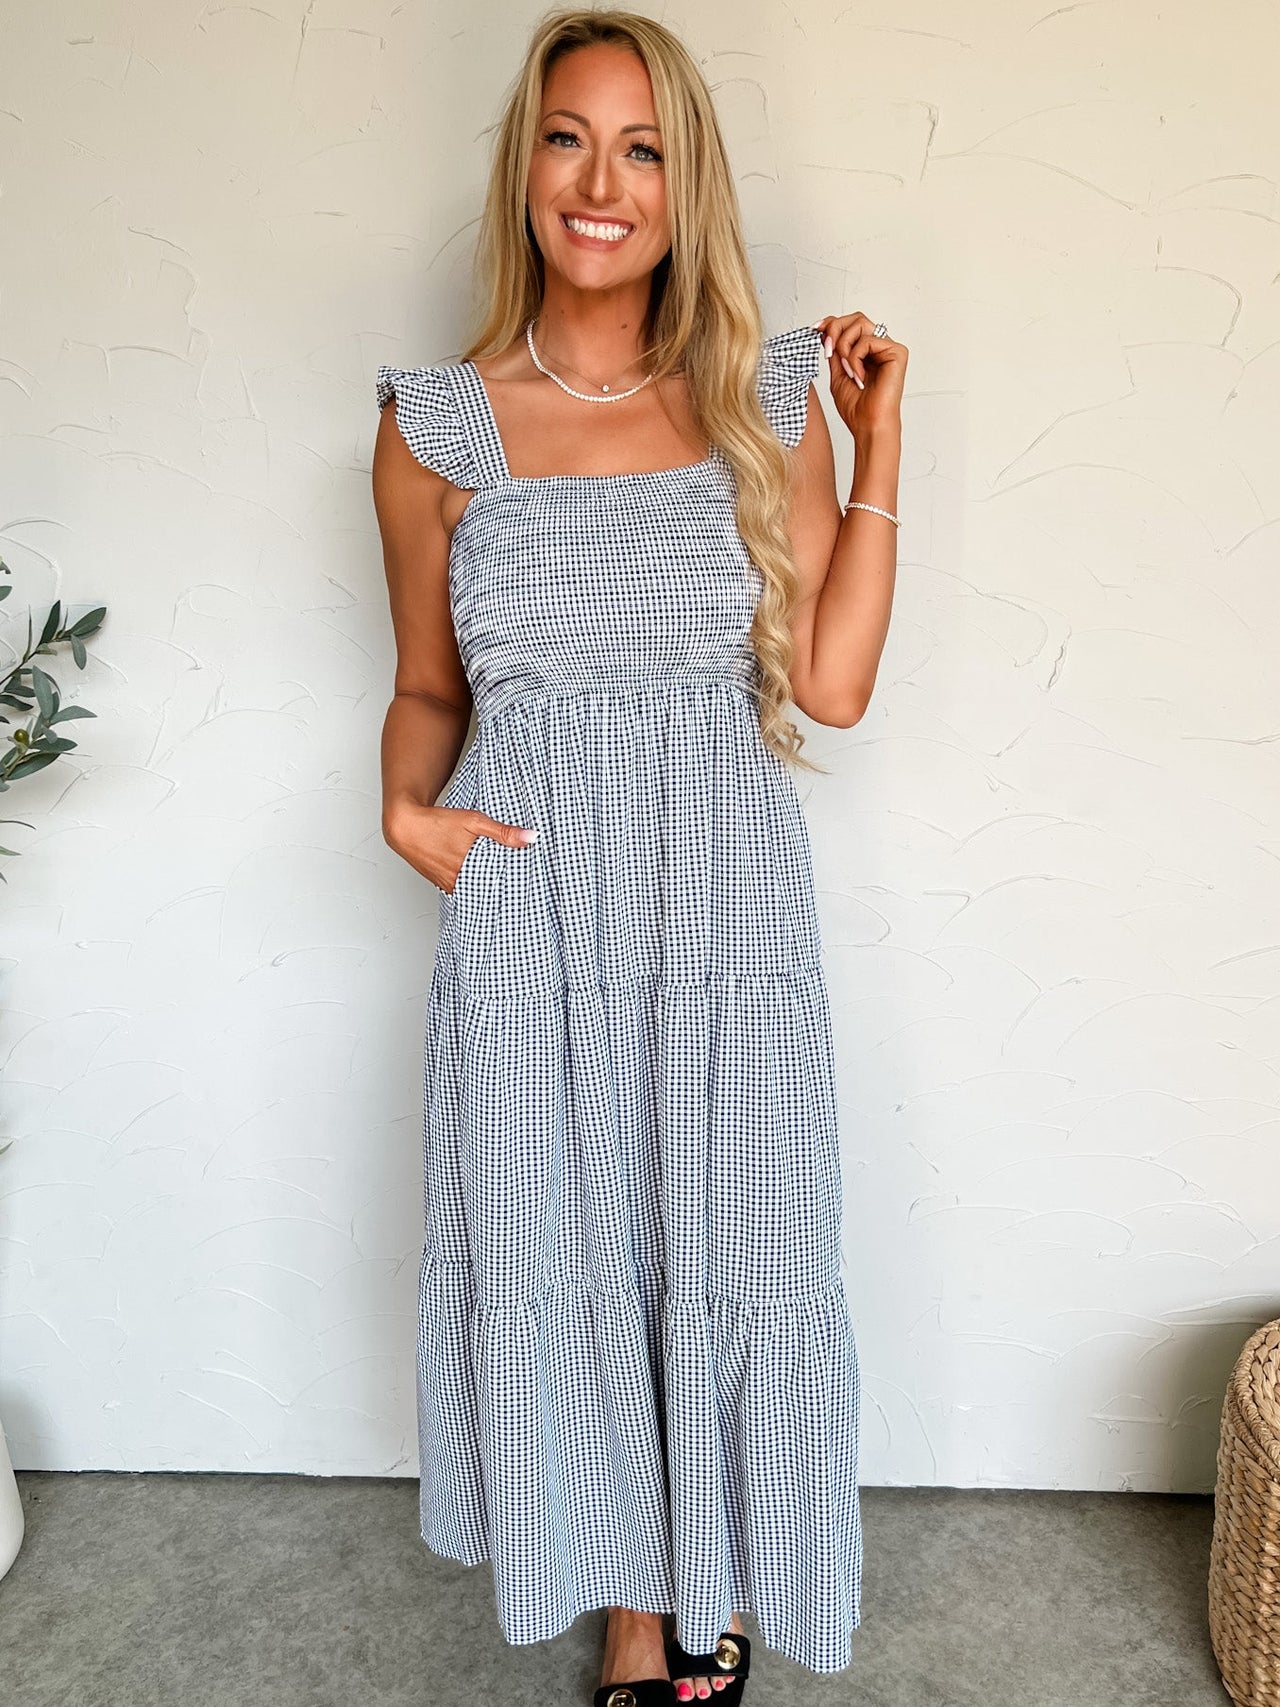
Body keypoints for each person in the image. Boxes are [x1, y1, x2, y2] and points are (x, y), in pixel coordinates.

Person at [371, 9, 905, 1705]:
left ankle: (716, 1566)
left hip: (726, 892)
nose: (601, 182)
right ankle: (629, 1598)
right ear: (524, 167)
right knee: (566, 1244)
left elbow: (828, 683)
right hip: (531, 897)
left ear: (686, 183)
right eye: (568, 137)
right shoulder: (435, 429)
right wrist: (405, 816)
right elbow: (424, 685)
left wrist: (878, 447)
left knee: (736, 1240)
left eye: (644, 146)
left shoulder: (757, 394)